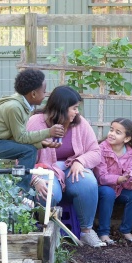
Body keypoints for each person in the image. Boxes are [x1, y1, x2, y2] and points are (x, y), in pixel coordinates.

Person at [26, 85, 105, 247]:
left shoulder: (79, 123)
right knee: (49, 193)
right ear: (61, 107)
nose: (77, 112)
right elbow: (22, 156)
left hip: (70, 168)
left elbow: (96, 152)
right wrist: (34, 179)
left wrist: (80, 161)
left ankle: (87, 232)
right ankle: (47, 233)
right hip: (44, 169)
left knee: (88, 182)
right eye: (74, 108)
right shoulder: (36, 122)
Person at [0, 69, 64, 193]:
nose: (45, 94)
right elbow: (20, 138)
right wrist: (49, 132)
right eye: (43, 91)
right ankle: (19, 193)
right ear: (33, 94)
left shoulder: (22, 105)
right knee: (28, 151)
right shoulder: (15, 107)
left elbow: (14, 137)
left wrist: (41, 143)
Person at [93, 118, 132, 245]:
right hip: (101, 188)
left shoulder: (130, 153)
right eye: (111, 130)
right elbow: (102, 177)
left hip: (119, 188)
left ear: (126, 139)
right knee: (108, 192)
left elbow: (128, 177)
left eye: (117, 132)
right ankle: (103, 232)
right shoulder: (101, 149)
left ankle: (126, 230)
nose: (111, 133)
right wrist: (119, 179)